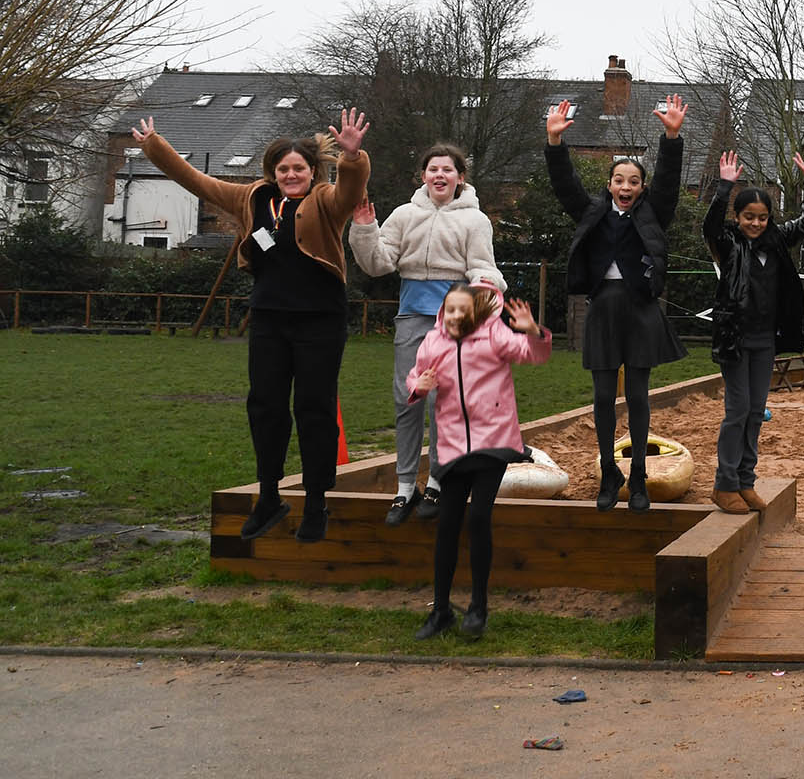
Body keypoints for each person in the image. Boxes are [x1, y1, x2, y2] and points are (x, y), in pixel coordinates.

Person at [130, 108, 371, 543]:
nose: (291, 175)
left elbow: (351, 190)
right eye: (284, 169)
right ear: (273, 172)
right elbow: (195, 181)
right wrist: (155, 147)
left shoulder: (325, 201)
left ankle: (316, 501)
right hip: (269, 318)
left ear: (313, 171)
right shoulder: (252, 198)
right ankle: (269, 496)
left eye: (299, 168)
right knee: (265, 405)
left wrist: (353, 157)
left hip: (320, 319)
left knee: (314, 408)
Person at [348, 144, 506, 527]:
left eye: (447, 170)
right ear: (423, 176)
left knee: (442, 402)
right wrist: (365, 228)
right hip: (411, 318)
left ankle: (437, 480)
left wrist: (479, 296)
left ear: (460, 178)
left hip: (451, 323)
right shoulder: (405, 215)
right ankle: (405, 487)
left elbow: (483, 268)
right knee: (408, 398)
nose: (439, 175)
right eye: (432, 169)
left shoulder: (475, 221)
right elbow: (378, 263)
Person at [545, 94, 689, 512]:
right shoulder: (591, 211)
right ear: (609, 185)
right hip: (603, 309)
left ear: (641, 189)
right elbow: (564, 184)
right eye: (619, 180)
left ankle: (639, 475)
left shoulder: (653, 213)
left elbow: (669, 181)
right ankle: (610, 472)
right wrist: (555, 143)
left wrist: (672, 135)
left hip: (641, 309)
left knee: (640, 397)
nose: (626, 186)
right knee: (604, 396)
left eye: (633, 181)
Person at [405, 285, 553, 639]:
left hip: (494, 441)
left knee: (479, 516)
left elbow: (530, 354)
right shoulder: (434, 342)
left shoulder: (494, 336)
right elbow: (416, 377)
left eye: (462, 310)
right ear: (443, 313)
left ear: (475, 312)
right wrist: (420, 385)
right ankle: (441, 610)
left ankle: (478, 608)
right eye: (449, 309)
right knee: (448, 523)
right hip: (453, 445)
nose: (455, 315)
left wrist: (533, 331)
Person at [703, 149, 804, 514]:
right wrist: (724, 188)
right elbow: (709, 226)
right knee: (737, 411)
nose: (755, 224)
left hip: (765, 340)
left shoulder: (776, 240)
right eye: (748, 217)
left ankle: (745, 481)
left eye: (762, 217)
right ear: (737, 217)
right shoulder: (728, 242)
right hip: (735, 338)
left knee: (756, 412)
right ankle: (724, 485)